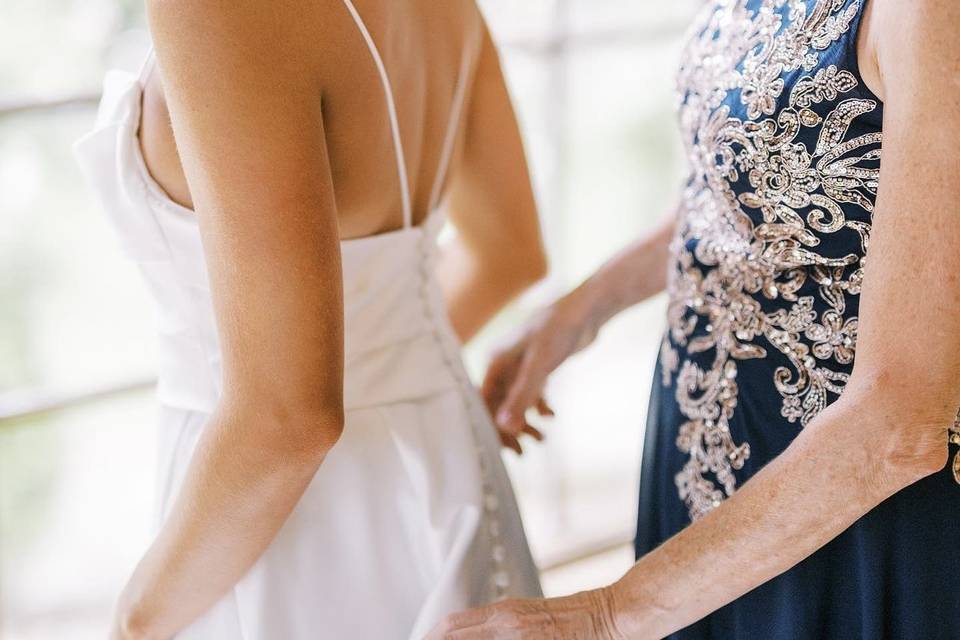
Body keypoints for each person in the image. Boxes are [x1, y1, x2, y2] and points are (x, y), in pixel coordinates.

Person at [431, 0, 960, 637]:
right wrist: (578, 312)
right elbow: (744, 183)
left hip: (853, 517)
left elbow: (900, 421)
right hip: (708, 480)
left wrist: (607, 615)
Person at [74, 1, 547, 637]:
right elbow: (509, 254)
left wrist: (136, 619)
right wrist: (390, 365)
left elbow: (286, 421)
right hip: (449, 463)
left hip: (281, 530)